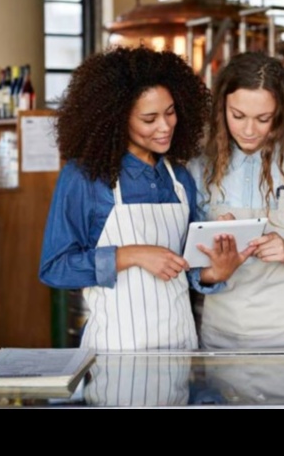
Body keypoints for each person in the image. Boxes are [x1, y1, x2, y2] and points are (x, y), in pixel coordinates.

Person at [39, 45, 226, 352]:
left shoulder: (180, 179)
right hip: (116, 352)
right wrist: (131, 255)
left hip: (181, 346)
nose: (165, 126)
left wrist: (216, 270)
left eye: (170, 112)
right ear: (117, 119)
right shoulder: (85, 177)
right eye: (149, 119)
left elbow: (191, 266)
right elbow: (55, 267)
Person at [189, 51, 284, 351]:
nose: (249, 131)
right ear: (222, 108)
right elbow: (191, 266)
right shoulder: (201, 166)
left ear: (281, 112)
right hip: (220, 334)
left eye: (263, 119)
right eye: (238, 116)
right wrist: (215, 250)